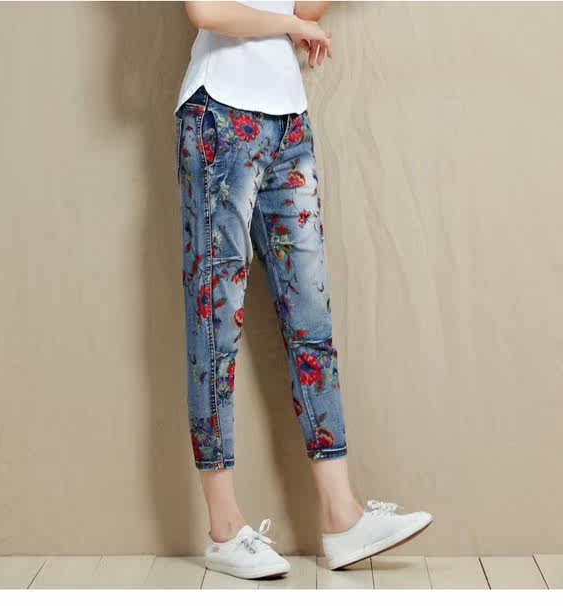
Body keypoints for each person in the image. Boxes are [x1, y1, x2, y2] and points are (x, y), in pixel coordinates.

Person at [174, 0, 432, 579]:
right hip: (217, 114)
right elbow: (206, 9)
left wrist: (299, 18)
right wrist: (292, 27)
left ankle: (343, 517)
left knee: (311, 320)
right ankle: (223, 529)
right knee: (214, 327)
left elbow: (300, 5)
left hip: (288, 120)